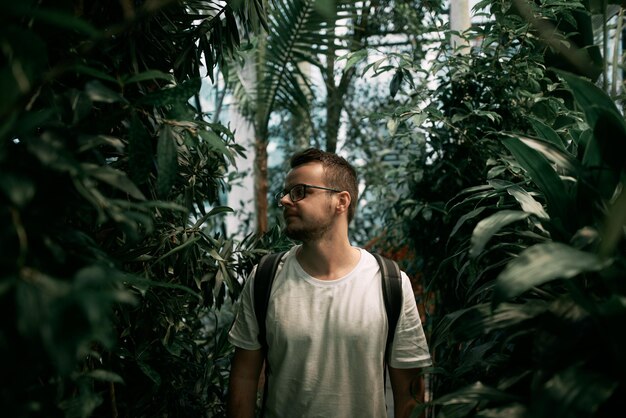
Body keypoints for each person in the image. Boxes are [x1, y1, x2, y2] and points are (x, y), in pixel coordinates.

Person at [227, 148, 431, 418]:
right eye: (286, 192)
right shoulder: (265, 277)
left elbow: (411, 394)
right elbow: (243, 379)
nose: (285, 201)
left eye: (300, 191)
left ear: (341, 201)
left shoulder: (389, 282)